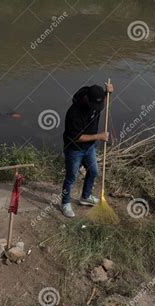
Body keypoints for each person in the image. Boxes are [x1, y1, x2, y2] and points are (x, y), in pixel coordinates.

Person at [61, 81, 114, 218]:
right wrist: (99, 136)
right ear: (86, 99)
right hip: (74, 149)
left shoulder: (95, 100)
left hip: (89, 147)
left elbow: (101, 102)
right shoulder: (74, 113)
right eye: (94, 105)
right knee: (71, 177)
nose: (96, 108)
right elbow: (77, 137)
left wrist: (108, 93)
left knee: (93, 171)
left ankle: (85, 196)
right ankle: (65, 203)